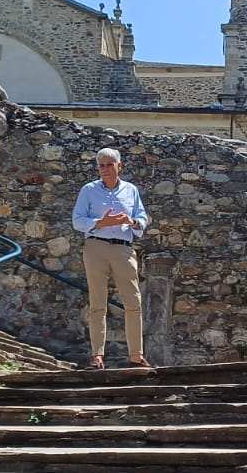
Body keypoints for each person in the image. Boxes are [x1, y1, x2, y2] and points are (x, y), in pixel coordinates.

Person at [71, 147, 151, 370]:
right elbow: (77, 221)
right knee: (98, 303)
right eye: (101, 165)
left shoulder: (131, 190)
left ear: (119, 166)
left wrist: (132, 221)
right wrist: (100, 222)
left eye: (109, 164)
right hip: (96, 246)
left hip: (124, 249)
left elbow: (142, 218)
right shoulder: (88, 190)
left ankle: (136, 355)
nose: (104, 169)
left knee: (133, 303)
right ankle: (97, 356)